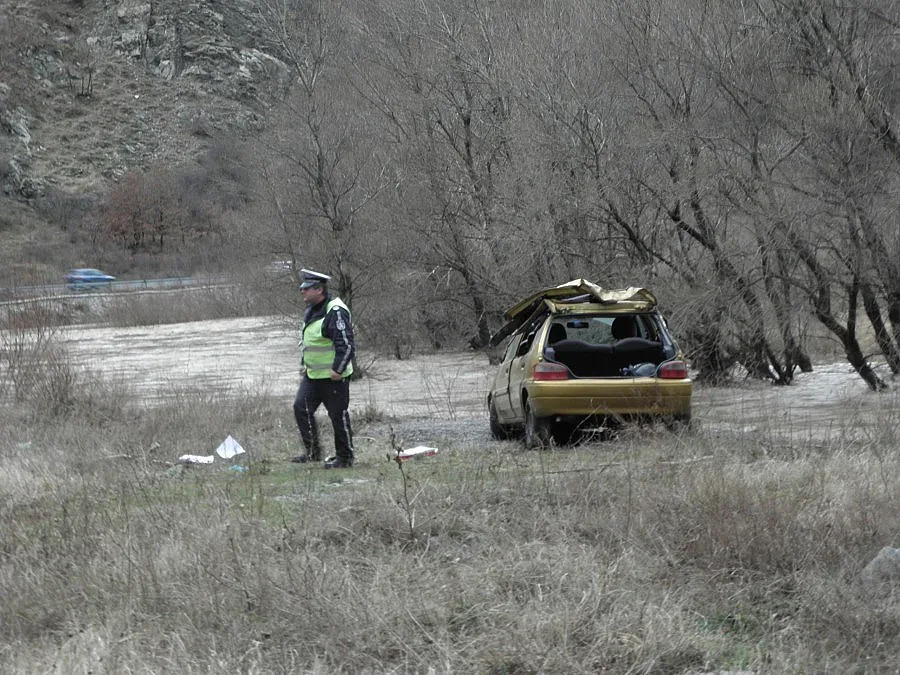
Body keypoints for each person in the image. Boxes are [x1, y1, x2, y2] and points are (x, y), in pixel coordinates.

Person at [291, 269, 356, 469]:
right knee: (301, 408)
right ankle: (312, 452)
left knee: (337, 416)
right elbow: (310, 341)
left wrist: (338, 370)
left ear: (319, 289)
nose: (302, 292)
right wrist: (304, 364)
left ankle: (345, 458)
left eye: (306, 289)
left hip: (334, 377)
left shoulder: (335, 311)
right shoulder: (311, 309)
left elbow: (345, 344)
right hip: (313, 375)